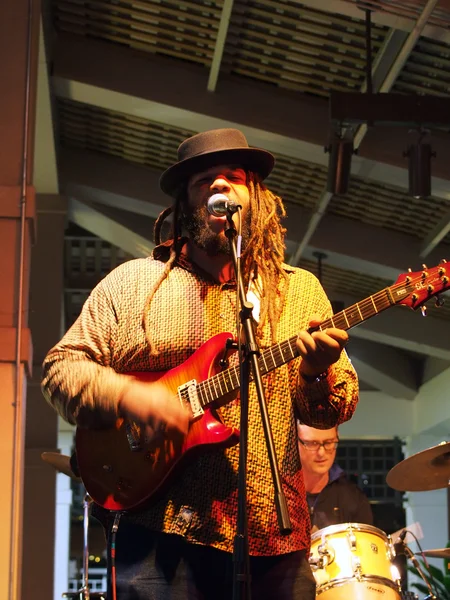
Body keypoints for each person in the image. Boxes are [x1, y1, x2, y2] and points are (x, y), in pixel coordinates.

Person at [41, 128, 359, 600]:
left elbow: (330, 412)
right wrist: (131, 396)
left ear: (257, 197)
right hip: (158, 534)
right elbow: (60, 369)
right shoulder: (132, 286)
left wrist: (315, 373)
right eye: (204, 180)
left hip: (275, 542)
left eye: (232, 177)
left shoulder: (298, 291)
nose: (219, 186)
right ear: (184, 205)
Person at [297, 421, 373, 533]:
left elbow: (365, 547)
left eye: (329, 443)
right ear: (295, 443)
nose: (321, 452)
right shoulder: (281, 493)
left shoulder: (353, 496)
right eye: (312, 443)